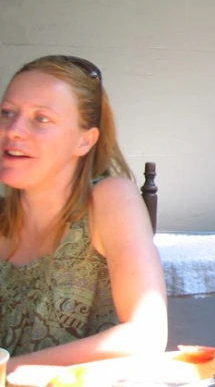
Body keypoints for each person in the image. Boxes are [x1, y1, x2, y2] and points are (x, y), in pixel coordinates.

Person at [0, 55, 168, 372]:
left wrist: (6, 371)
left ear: (84, 140)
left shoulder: (109, 198)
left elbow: (145, 335)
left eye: (42, 119)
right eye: (7, 113)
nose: (14, 131)